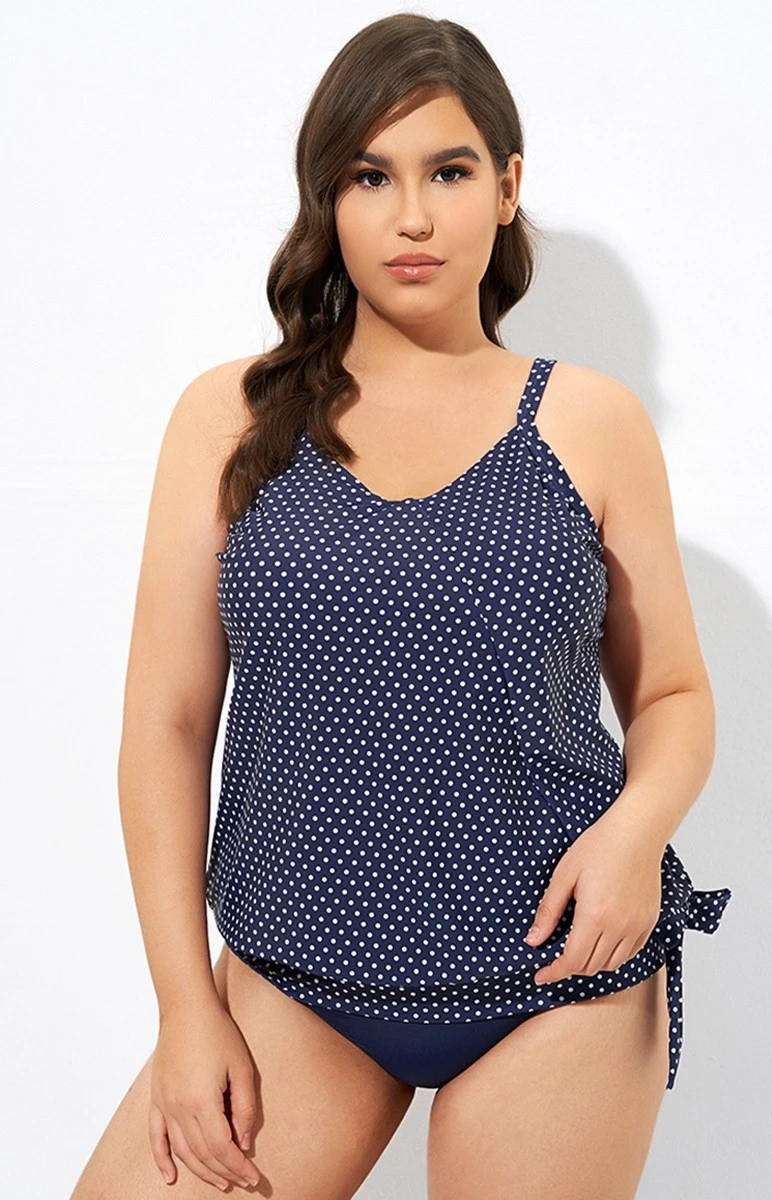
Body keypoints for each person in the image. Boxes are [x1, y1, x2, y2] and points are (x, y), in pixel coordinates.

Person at [70, 13, 732, 1199]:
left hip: (558, 971)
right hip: (294, 971)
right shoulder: (230, 418)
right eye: (370, 177)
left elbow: (673, 692)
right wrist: (184, 1009)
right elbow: (165, 725)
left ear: (507, 187)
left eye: (449, 172)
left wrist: (632, 835)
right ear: (327, 201)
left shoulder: (588, 421)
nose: (412, 217)